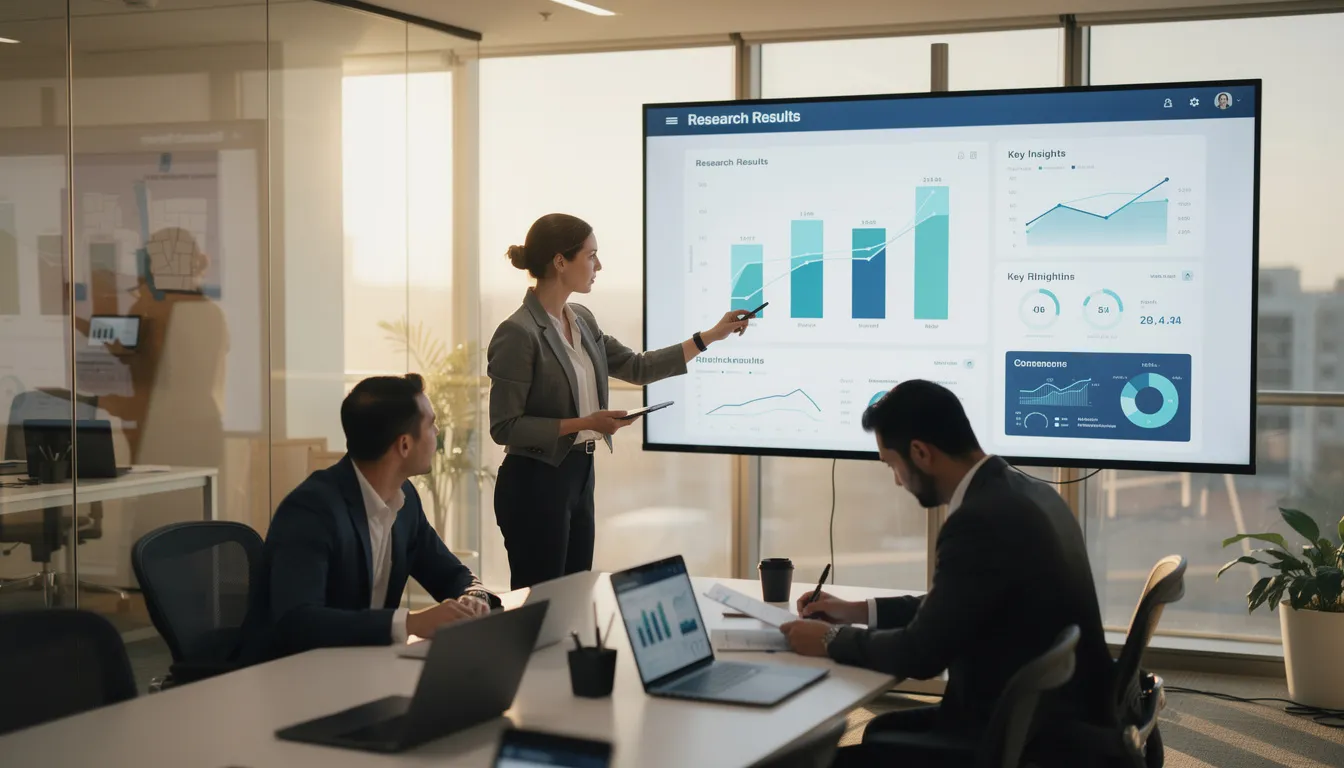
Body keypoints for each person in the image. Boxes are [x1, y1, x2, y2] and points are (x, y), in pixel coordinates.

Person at [779, 380, 1114, 767]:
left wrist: (830, 639)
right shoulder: (1026, 492)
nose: (896, 479)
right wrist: (856, 611)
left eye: (891, 464)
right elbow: (960, 602)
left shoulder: (980, 520)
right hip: (1048, 718)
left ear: (920, 453)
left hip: (1019, 739)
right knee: (880, 730)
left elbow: (921, 655)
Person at [488, 213, 749, 589]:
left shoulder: (581, 319)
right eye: (591, 255)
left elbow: (638, 367)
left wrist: (710, 336)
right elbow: (505, 427)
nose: (599, 266)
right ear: (560, 261)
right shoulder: (518, 332)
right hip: (535, 481)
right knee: (542, 603)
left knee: (575, 595)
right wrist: (587, 423)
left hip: (580, 474)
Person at [239, 374, 498, 662]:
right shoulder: (312, 510)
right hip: (286, 673)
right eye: (430, 424)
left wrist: (473, 597)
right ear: (404, 445)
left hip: (363, 667)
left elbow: (451, 575)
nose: (437, 432)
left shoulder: (405, 500)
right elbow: (298, 622)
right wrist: (410, 623)